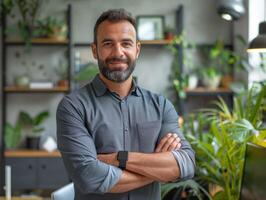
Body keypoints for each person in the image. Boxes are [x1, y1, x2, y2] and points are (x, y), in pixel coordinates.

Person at [56, 8, 195, 200]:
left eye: (126, 43)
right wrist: (158, 170)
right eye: (108, 44)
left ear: (137, 50)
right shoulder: (73, 107)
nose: (118, 52)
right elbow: (89, 176)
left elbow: (186, 163)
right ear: (95, 50)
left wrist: (119, 158)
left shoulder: (161, 106)